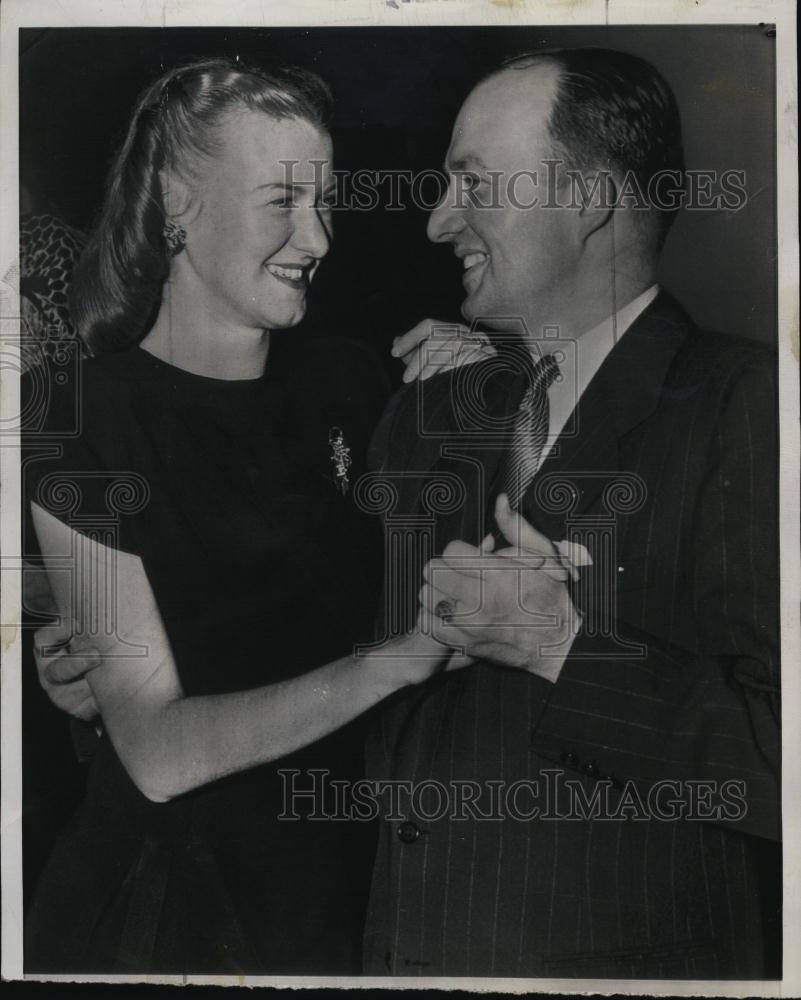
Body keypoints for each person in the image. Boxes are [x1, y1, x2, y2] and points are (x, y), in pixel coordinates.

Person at [22, 57, 455, 975]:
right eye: (281, 201)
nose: (319, 237)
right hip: (172, 903)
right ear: (176, 206)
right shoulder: (79, 417)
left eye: (327, 201)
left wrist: (476, 364)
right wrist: (397, 659)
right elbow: (158, 751)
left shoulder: (354, 380)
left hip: (345, 889)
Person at [362, 48, 780, 977]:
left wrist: (559, 643)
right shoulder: (442, 411)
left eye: (471, 182)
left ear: (589, 198)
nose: (437, 222)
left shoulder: (749, 406)